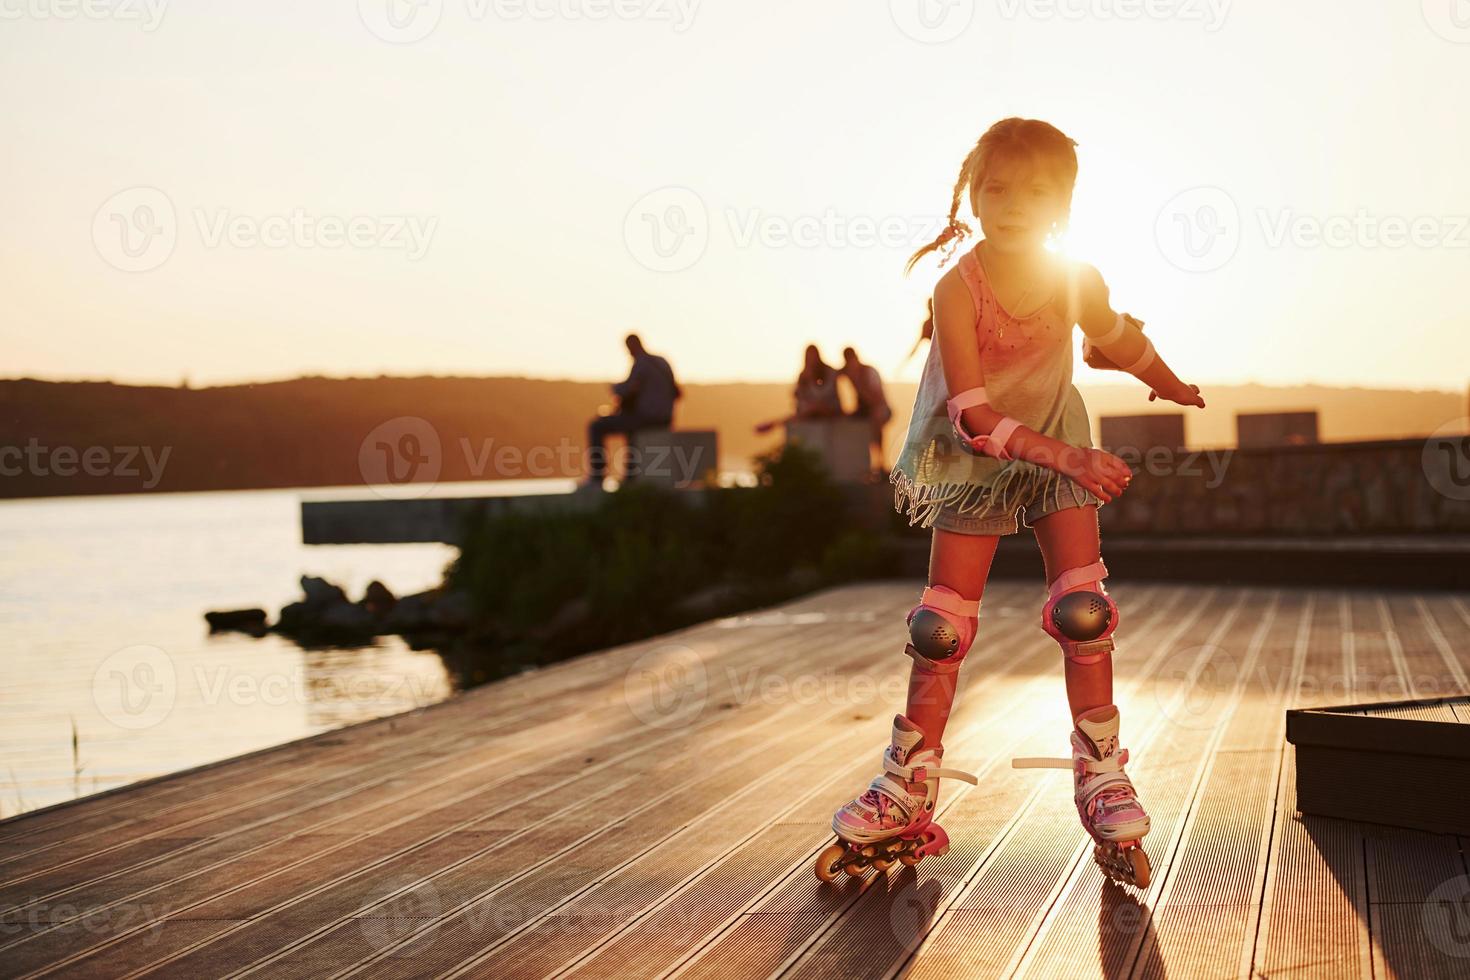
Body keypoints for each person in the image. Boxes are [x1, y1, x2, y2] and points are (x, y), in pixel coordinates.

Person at [814, 118, 1206, 888]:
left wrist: (1163, 378)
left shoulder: (1073, 276)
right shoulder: (957, 287)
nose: (1013, 203)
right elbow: (972, 414)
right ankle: (909, 781)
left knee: (1083, 612)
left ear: (1064, 202)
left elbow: (1115, 336)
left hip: (1060, 446)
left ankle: (1101, 774)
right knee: (940, 628)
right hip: (975, 455)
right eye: (996, 188)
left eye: (1035, 191)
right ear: (973, 193)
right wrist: (1070, 457)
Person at [581, 333, 682, 489]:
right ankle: (630, 476)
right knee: (631, 429)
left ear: (631, 347)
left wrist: (614, 387)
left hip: (647, 418)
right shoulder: (662, 362)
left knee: (597, 426)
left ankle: (597, 476)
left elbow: (625, 390)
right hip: (665, 418)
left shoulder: (641, 363)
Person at [753, 345, 842, 435]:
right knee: (810, 410)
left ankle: (773, 424)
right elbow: (798, 396)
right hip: (810, 411)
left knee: (813, 409)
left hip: (830, 410)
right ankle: (774, 423)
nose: (812, 361)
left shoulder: (830, 372)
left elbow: (835, 395)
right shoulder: (804, 375)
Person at [839, 346, 893, 476]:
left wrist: (860, 387)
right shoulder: (848, 372)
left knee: (876, 420)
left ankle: (880, 463)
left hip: (879, 408)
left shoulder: (869, 372)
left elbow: (877, 398)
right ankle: (859, 465)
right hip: (864, 411)